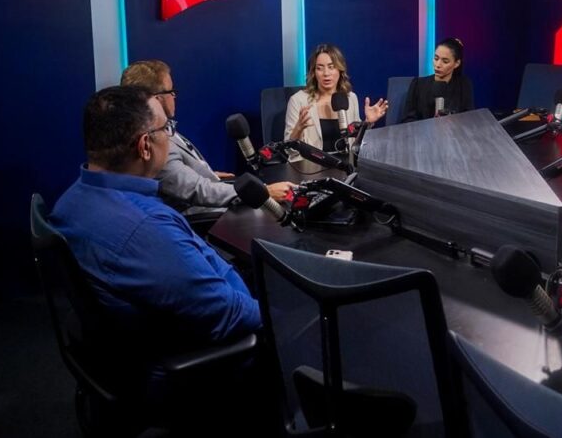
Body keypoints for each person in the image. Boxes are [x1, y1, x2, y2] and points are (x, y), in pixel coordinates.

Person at [50, 86, 268, 431]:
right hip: (184, 361)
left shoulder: (70, 201)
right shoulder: (145, 227)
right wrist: (279, 311)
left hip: (122, 348)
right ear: (144, 146)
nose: (171, 134)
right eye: (166, 128)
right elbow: (229, 315)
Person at [121, 60, 293, 213]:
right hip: (207, 213)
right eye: (171, 91)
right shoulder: (156, 141)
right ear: (157, 99)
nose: (175, 96)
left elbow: (180, 178)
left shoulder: (162, 129)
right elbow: (197, 190)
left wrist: (208, 175)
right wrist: (263, 192)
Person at [284, 44, 388, 152]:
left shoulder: (350, 98)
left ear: (340, 70)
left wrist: (367, 122)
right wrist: (298, 129)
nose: (326, 73)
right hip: (311, 162)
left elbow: (356, 141)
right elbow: (288, 149)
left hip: (345, 160)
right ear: (313, 73)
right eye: (319, 68)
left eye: (331, 67)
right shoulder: (298, 100)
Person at [401, 37, 475, 122]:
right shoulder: (418, 84)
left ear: (456, 63)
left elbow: (469, 119)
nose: (438, 65)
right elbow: (407, 121)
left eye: (445, 61)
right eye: (436, 59)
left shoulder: (464, 85)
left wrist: (453, 121)